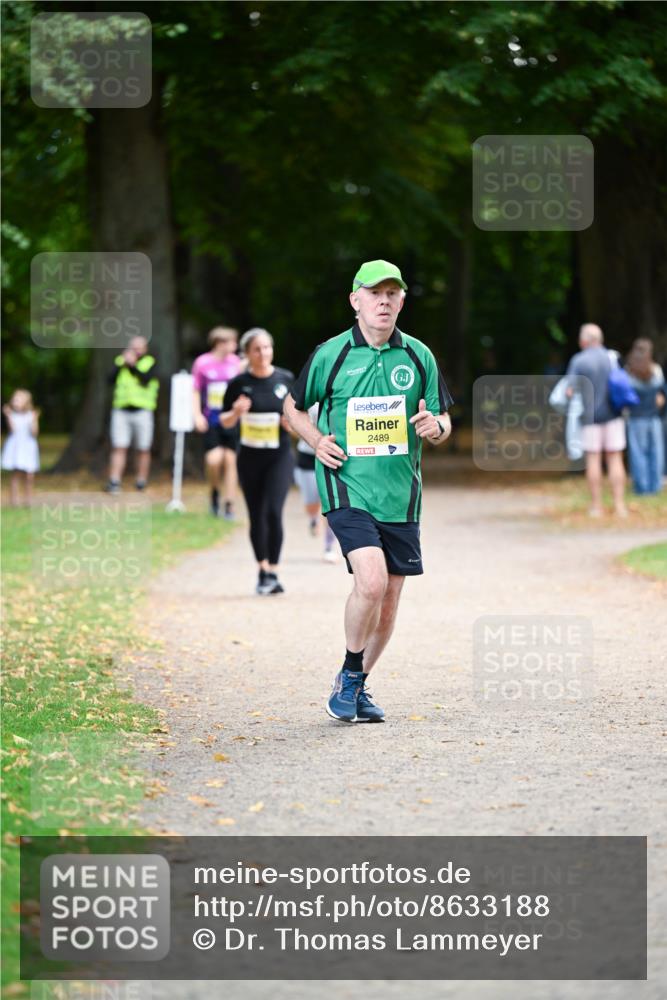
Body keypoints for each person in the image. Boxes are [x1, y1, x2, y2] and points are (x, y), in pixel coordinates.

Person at [283, 259, 452, 723]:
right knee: (372, 582)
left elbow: (442, 418)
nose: (383, 301)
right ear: (355, 300)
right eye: (374, 293)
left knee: (390, 596)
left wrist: (435, 426)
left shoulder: (419, 355)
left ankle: (355, 684)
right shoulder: (330, 354)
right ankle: (352, 673)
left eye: (392, 293)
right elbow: (292, 408)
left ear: (402, 301)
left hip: (402, 493)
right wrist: (317, 441)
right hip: (346, 484)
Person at [221, 328, 294, 595]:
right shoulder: (239, 384)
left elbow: (298, 422)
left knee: (274, 512)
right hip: (250, 458)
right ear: (247, 353)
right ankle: (262, 570)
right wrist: (236, 412)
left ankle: (274, 571)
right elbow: (224, 421)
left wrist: (290, 426)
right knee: (257, 515)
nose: (263, 353)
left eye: (267, 348)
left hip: (279, 456)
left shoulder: (285, 379)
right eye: (256, 349)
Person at [565, 323, 627, 518]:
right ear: (600, 339)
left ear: (584, 341)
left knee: (593, 460)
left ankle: (596, 506)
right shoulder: (612, 358)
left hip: (590, 418)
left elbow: (569, 390)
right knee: (615, 458)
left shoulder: (579, 360)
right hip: (614, 416)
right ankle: (619, 506)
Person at [192, 326, 243, 518]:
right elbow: (195, 390)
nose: (235, 345)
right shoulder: (202, 363)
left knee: (231, 460)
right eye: (232, 342)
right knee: (214, 460)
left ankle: (229, 504)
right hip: (212, 419)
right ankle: (214, 492)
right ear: (220, 343)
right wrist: (196, 415)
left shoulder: (236, 363)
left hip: (232, 418)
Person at [106, 336, 158, 494]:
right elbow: (109, 380)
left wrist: (132, 365)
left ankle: (141, 481)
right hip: (121, 410)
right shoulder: (119, 362)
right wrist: (122, 363)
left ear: (145, 349)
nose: (135, 351)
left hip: (143, 411)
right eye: (132, 347)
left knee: (143, 448)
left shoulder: (149, 362)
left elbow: (146, 380)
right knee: (119, 446)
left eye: (139, 347)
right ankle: (114, 481)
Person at [294, 404, 338, 563]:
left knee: (330, 504)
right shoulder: (308, 401)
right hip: (307, 456)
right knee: (312, 503)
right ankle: (313, 518)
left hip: (331, 455)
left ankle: (329, 546)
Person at [624, 339, 665, 495]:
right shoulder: (655, 370)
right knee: (656, 452)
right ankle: (655, 486)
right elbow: (661, 396)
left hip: (636, 417)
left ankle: (641, 487)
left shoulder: (629, 372)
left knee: (638, 453)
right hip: (653, 417)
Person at [2, 389, 40, 506]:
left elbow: (34, 433)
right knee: (15, 475)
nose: (14, 402)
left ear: (26, 402)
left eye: (18, 400)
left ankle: (28, 500)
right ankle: (14, 501)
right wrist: (8, 416)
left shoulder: (31, 415)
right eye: (14, 399)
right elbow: (13, 430)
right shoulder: (12, 415)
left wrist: (34, 420)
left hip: (28, 447)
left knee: (29, 476)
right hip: (16, 447)